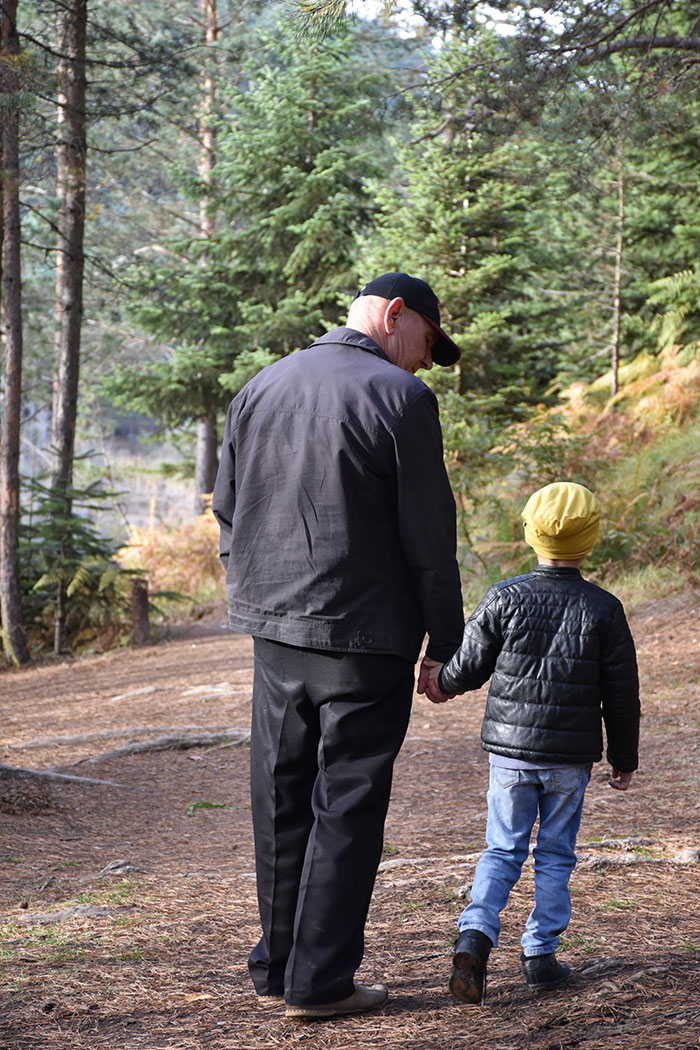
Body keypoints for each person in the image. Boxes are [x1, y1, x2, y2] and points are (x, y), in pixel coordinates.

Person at [212, 273, 465, 1020]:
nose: (426, 359)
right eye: (428, 341)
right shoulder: (402, 399)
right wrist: (446, 641)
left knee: (281, 796)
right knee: (346, 806)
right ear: (395, 315)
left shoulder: (262, 385)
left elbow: (226, 509)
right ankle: (320, 982)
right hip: (366, 637)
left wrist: (252, 590)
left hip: (275, 632)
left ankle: (277, 966)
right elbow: (429, 537)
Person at [421, 481, 640, 1004]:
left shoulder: (505, 596)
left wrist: (440, 682)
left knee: (502, 847)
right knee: (556, 853)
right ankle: (540, 955)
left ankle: (474, 937)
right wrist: (623, 757)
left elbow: (470, 664)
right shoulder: (605, 608)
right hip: (569, 760)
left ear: (529, 532)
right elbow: (622, 693)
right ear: (591, 538)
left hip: (511, 755)